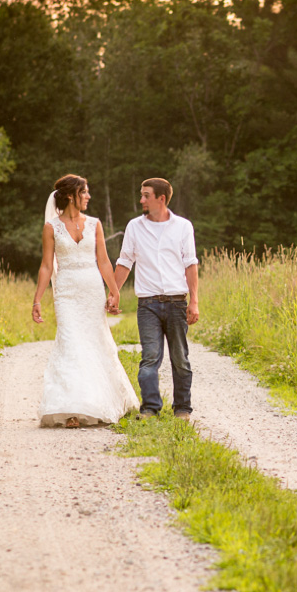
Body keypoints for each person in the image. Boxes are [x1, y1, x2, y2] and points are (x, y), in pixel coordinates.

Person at [32, 174, 139, 427]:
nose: (89, 196)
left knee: (94, 343)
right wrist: (37, 300)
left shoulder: (94, 224)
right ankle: (71, 410)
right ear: (71, 195)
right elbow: (47, 266)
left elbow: (103, 260)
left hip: (92, 290)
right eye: (85, 192)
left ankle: (98, 401)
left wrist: (114, 291)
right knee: (71, 344)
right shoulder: (51, 227)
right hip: (67, 293)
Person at [112, 177, 199, 421]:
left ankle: (182, 408)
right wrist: (114, 293)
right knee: (150, 357)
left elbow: (190, 264)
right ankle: (150, 408)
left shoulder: (183, 226)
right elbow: (125, 261)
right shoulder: (134, 227)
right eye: (141, 194)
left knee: (180, 358)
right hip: (147, 304)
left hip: (176, 302)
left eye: (146, 195)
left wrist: (194, 302)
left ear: (161, 198)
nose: (141, 199)